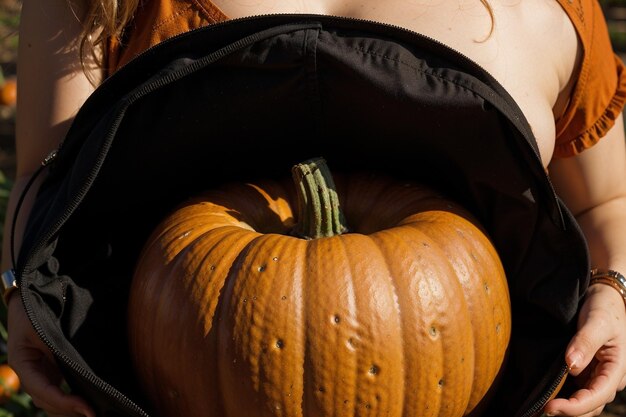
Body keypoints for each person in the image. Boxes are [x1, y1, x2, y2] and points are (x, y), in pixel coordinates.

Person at [3, 0, 626, 416]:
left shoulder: (549, 6)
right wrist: (20, 288)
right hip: (172, 380)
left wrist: (615, 286)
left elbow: (607, 199)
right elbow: (47, 178)